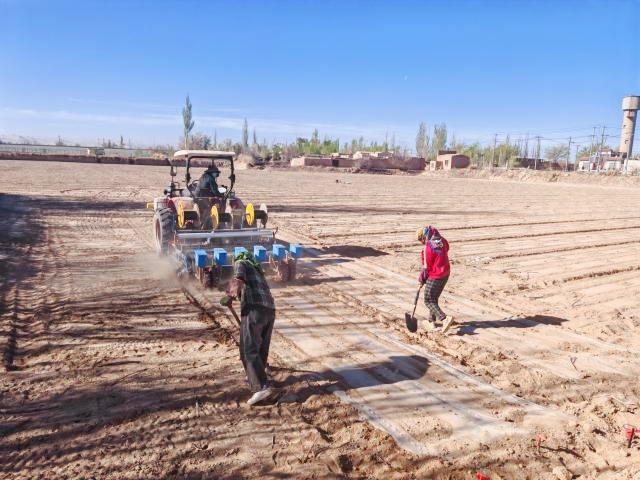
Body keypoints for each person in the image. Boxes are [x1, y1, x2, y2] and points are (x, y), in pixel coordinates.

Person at [227, 251, 280, 406]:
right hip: (270, 311)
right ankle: (257, 376)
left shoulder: (240, 262)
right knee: (261, 348)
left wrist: (229, 296)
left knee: (248, 349)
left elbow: (238, 279)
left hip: (253, 310)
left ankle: (260, 387)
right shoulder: (258, 271)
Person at [416, 226, 454, 333]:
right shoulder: (442, 240)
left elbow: (426, 268)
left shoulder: (427, 248)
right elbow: (447, 248)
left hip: (436, 275)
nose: (421, 242)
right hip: (446, 273)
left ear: (424, 236)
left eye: (420, 239)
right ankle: (431, 321)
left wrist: (421, 280)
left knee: (428, 300)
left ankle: (444, 319)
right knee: (433, 297)